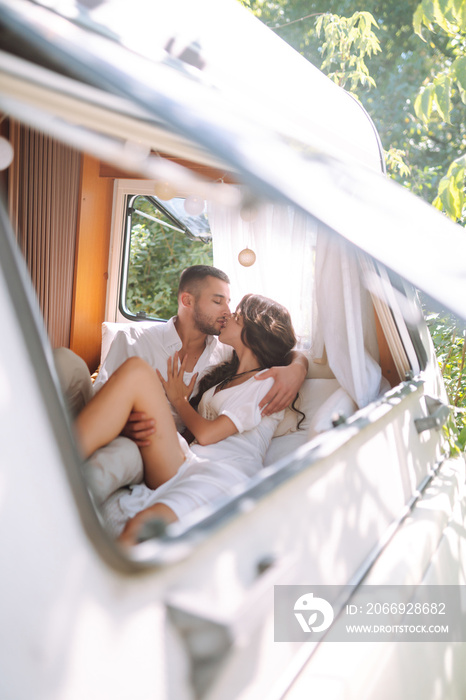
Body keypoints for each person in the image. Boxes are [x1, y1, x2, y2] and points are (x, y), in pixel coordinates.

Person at [75, 294, 302, 545]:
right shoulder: (225, 376)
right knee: (136, 370)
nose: (227, 316)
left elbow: (208, 434)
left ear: (255, 331)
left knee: (140, 528)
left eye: (236, 316)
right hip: (192, 459)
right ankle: (62, 456)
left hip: (224, 472)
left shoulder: (269, 381)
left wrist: (179, 401)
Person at [93, 265, 308, 446]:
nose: (227, 311)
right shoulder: (133, 339)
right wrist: (122, 424)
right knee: (68, 363)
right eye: (218, 302)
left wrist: (298, 368)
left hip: (173, 449)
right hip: (123, 439)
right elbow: (101, 401)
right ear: (187, 301)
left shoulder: (226, 352)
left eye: (229, 302)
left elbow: (274, 346)